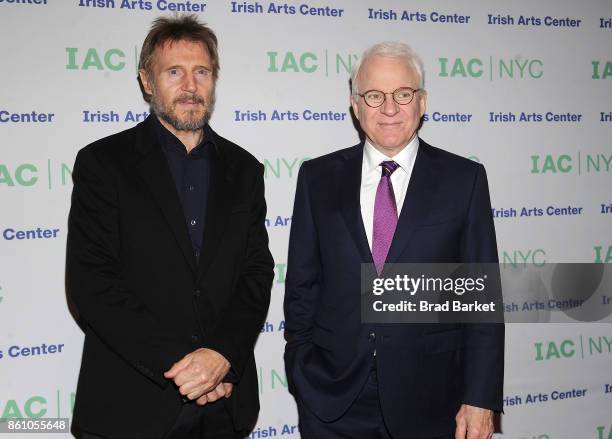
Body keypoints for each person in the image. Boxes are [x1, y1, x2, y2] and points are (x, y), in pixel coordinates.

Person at [66, 15, 274, 439]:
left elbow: (256, 274)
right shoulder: (103, 164)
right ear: (146, 81)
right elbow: (92, 283)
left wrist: (221, 357)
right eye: (173, 72)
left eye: (202, 72)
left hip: (224, 408)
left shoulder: (245, 170)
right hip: (130, 407)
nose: (190, 86)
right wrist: (191, 369)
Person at [284, 42, 504, 439]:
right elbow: (302, 286)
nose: (389, 109)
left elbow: (481, 301)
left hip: (433, 400)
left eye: (403, 94)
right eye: (374, 95)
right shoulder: (317, 178)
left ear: (422, 102)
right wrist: (302, 367)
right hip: (332, 401)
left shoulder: (464, 180)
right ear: (355, 104)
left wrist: (481, 399)